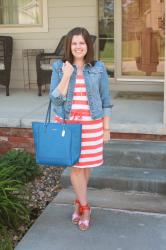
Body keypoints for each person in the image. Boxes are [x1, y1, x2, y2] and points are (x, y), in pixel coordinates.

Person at [49, 27, 112, 231]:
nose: (78, 47)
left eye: (82, 43)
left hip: (92, 126)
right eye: (74, 43)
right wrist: (67, 75)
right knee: (75, 168)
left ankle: (77, 201)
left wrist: (106, 128)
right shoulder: (59, 67)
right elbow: (55, 99)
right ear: (69, 45)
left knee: (85, 167)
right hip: (69, 125)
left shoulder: (98, 67)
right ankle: (85, 207)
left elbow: (105, 100)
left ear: (88, 46)